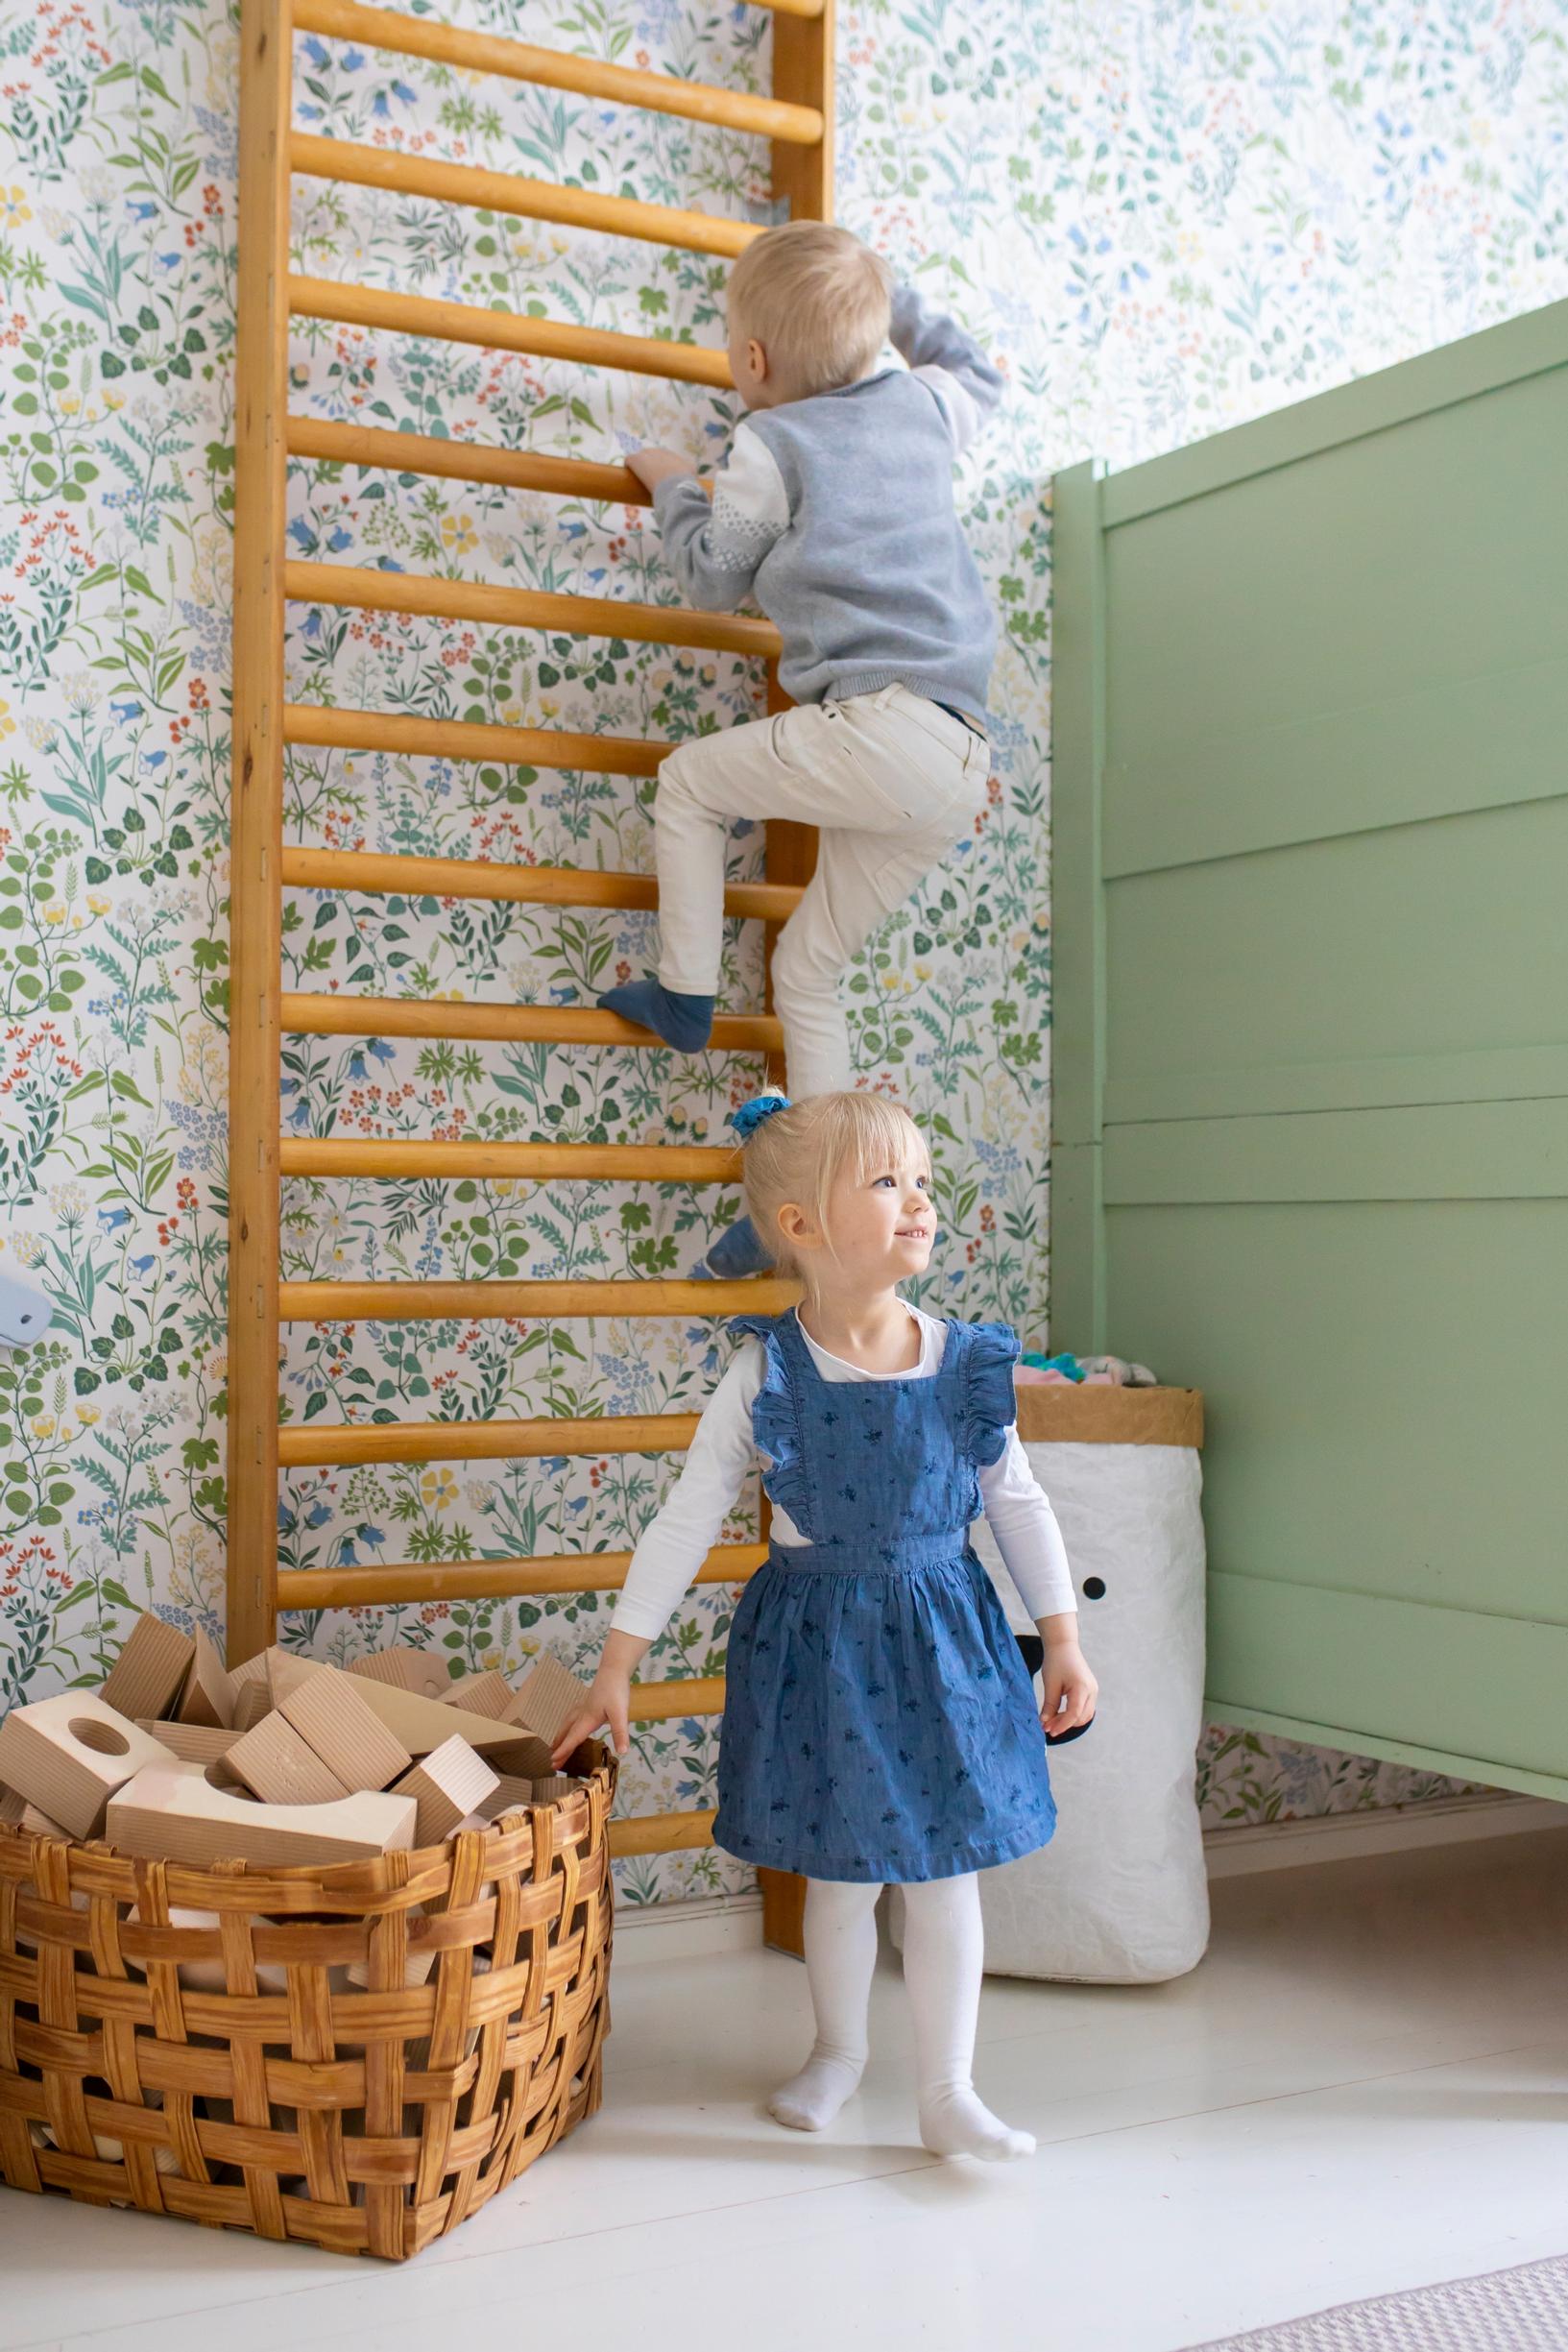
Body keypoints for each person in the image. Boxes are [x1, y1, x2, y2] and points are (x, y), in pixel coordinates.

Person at [550, 1091, 1098, 2162]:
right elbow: (686, 1516)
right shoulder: (765, 1371)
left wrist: (1063, 1634)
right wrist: (619, 1664)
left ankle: (947, 2089)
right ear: (800, 1223)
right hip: (822, 1650)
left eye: (922, 1180)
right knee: (840, 1873)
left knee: (943, 1871)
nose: (919, 1201)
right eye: (887, 1181)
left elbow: (1018, 1502)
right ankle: (837, 2051)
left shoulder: (964, 1364)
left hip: (943, 1645)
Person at [598, 220, 1004, 1276]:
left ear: (751, 359)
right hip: (960, 758)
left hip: (879, 727)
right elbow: (979, 372)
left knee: (688, 783)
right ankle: (807, 1212)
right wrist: (882, 292)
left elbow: (712, 575)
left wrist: (670, 483)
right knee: (808, 970)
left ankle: (684, 992)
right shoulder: (923, 406)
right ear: (873, 335)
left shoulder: (772, 445)